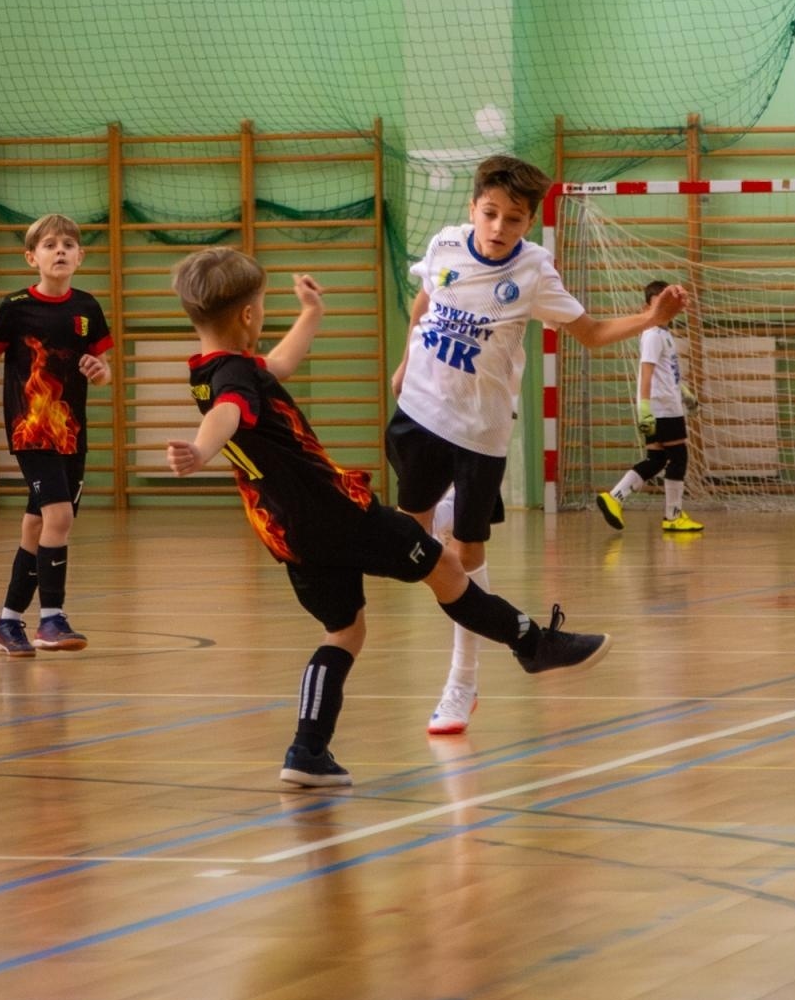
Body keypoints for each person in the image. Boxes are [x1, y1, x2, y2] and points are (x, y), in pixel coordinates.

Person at [166, 246, 612, 788]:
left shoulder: (211, 369)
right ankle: (531, 643)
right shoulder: (234, 379)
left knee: (344, 632)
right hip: (337, 514)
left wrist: (312, 313)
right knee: (446, 569)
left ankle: (307, 751)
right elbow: (228, 413)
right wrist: (200, 449)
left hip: (288, 531)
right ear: (248, 316)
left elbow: (274, 368)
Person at [388, 154, 689, 735]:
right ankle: (510, 624)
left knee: (464, 560)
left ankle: (462, 683)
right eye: (491, 213)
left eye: (514, 219)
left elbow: (594, 334)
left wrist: (651, 316)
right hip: (419, 412)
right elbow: (424, 299)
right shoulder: (446, 244)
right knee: (412, 547)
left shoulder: (533, 273)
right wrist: (406, 360)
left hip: (479, 432)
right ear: (473, 207)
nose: (499, 228)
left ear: (529, 223)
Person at [0, 213, 113, 659]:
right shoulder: (14, 307)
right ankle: (52, 618)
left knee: (37, 525)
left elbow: (104, 370)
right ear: (32, 257)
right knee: (60, 518)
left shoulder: (86, 309)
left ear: (81, 256)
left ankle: (8, 623)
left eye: (69, 244)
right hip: (30, 431)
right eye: (50, 245)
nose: (61, 250)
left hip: (72, 433)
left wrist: (99, 371)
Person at [596, 279, 704, 534]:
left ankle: (615, 497)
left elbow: (667, 373)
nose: (663, 311)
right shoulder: (654, 334)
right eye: (658, 306)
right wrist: (644, 407)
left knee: (657, 459)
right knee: (678, 458)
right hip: (663, 408)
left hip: (667, 403)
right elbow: (647, 373)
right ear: (646, 308)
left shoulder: (663, 334)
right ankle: (673, 516)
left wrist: (685, 393)